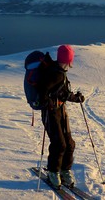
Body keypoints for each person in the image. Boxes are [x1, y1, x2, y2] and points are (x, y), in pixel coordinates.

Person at [36, 44, 86, 188]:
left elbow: (63, 93)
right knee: (59, 144)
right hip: (50, 114)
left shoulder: (61, 72)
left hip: (61, 112)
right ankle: (53, 172)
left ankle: (64, 170)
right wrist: (50, 103)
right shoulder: (53, 73)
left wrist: (76, 98)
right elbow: (42, 92)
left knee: (69, 144)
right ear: (69, 61)